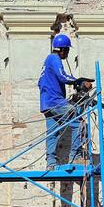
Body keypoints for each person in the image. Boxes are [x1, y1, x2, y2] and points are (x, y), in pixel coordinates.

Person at [38, 34, 91, 170]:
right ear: (62, 49)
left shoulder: (46, 62)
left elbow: (42, 83)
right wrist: (77, 80)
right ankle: (76, 156)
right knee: (79, 124)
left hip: (47, 103)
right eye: (67, 50)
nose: (67, 53)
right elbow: (62, 76)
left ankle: (50, 162)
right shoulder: (54, 58)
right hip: (55, 101)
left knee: (52, 133)